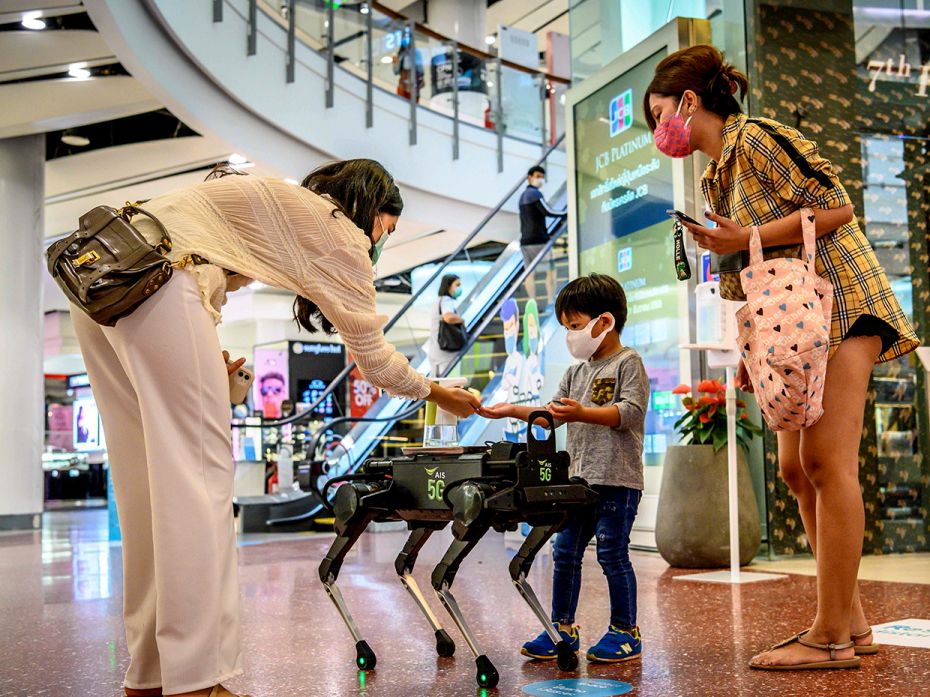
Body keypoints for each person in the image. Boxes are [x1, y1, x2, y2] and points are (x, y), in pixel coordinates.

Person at [69, 160, 481, 697]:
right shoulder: (338, 229)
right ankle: (195, 680)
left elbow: (210, 261)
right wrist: (442, 391)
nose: (382, 240)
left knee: (143, 487)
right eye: (389, 227)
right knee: (198, 486)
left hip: (104, 280)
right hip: (159, 280)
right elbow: (375, 362)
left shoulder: (274, 203)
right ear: (372, 210)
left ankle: (149, 676)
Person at [645, 45, 919, 671]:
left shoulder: (761, 138)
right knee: (796, 469)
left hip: (841, 301)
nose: (659, 131)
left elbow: (839, 207)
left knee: (825, 461)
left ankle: (830, 637)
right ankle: (850, 621)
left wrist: (746, 238)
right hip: (792, 325)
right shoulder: (717, 173)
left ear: (690, 101)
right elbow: (752, 268)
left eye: (659, 113)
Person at [481, 273, 649, 664]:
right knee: (565, 550)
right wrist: (509, 409)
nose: (571, 335)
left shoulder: (629, 362)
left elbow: (630, 413)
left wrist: (584, 412)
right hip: (579, 482)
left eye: (575, 326)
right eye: (567, 328)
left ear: (604, 322)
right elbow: (550, 415)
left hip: (618, 479)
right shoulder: (576, 373)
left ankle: (626, 631)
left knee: (611, 552)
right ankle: (562, 628)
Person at [519, 165, 566, 302]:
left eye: (542, 177)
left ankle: (532, 301)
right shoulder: (535, 194)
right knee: (551, 271)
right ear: (530, 178)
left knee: (529, 273)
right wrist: (566, 213)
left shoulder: (522, 197)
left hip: (525, 241)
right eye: (538, 176)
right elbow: (548, 211)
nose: (541, 180)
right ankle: (551, 300)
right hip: (539, 240)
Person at [428, 274, 465, 377]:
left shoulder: (438, 301)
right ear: (448, 286)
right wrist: (461, 320)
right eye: (457, 285)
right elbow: (448, 317)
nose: (459, 288)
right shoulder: (446, 300)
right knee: (449, 385)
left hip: (436, 350)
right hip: (445, 352)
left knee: (439, 384)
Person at [393, 32, 424, 102]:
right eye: (404, 38)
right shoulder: (400, 54)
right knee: (401, 104)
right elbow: (395, 71)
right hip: (403, 84)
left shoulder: (416, 53)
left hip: (413, 84)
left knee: (413, 106)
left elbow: (420, 70)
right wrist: (395, 61)